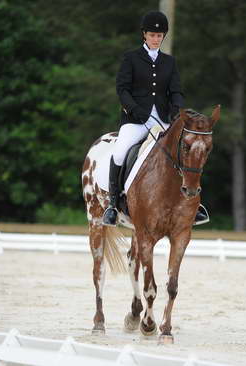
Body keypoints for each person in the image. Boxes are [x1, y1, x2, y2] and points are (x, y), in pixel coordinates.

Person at [102, 10, 209, 227]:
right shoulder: (131, 58)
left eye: (159, 36)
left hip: (163, 119)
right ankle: (113, 204)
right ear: (144, 35)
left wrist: (177, 109)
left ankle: (193, 204)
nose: (156, 38)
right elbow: (122, 89)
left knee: (186, 150)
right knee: (121, 150)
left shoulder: (169, 62)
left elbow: (176, 91)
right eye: (152, 35)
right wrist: (133, 109)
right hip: (135, 119)